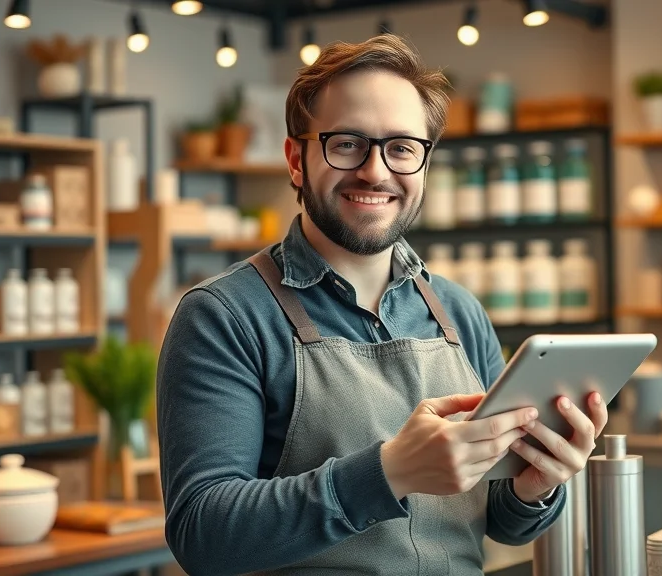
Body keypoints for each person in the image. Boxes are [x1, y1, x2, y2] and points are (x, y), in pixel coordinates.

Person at [156, 34, 608, 575]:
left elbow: (500, 522)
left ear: (423, 164)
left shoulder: (459, 313)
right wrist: (388, 472)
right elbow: (203, 535)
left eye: (401, 148)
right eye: (347, 143)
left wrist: (534, 487)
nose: (375, 170)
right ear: (296, 159)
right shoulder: (225, 316)